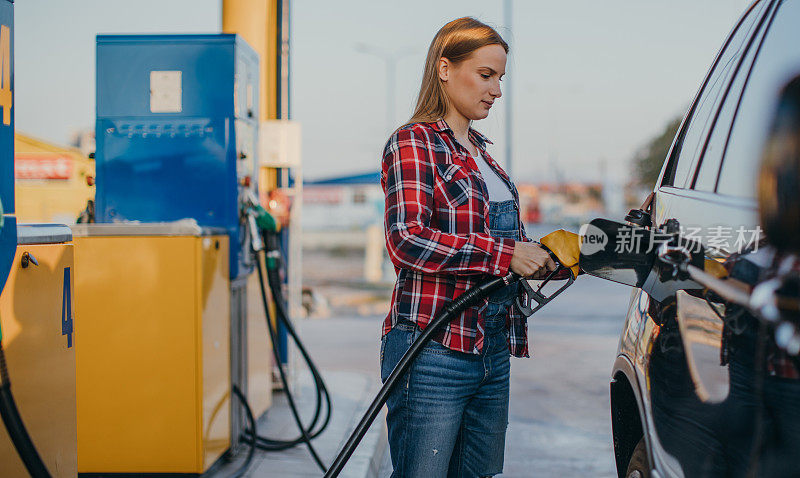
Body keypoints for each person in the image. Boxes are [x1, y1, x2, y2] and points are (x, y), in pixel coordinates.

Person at [380, 17, 556, 478]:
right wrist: (504, 255)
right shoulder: (413, 142)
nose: (496, 90)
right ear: (444, 68)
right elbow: (406, 240)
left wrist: (546, 258)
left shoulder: (483, 152)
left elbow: (504, 244)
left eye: (500, 78)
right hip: (432, 350)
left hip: (491, 349)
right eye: (485, 74)